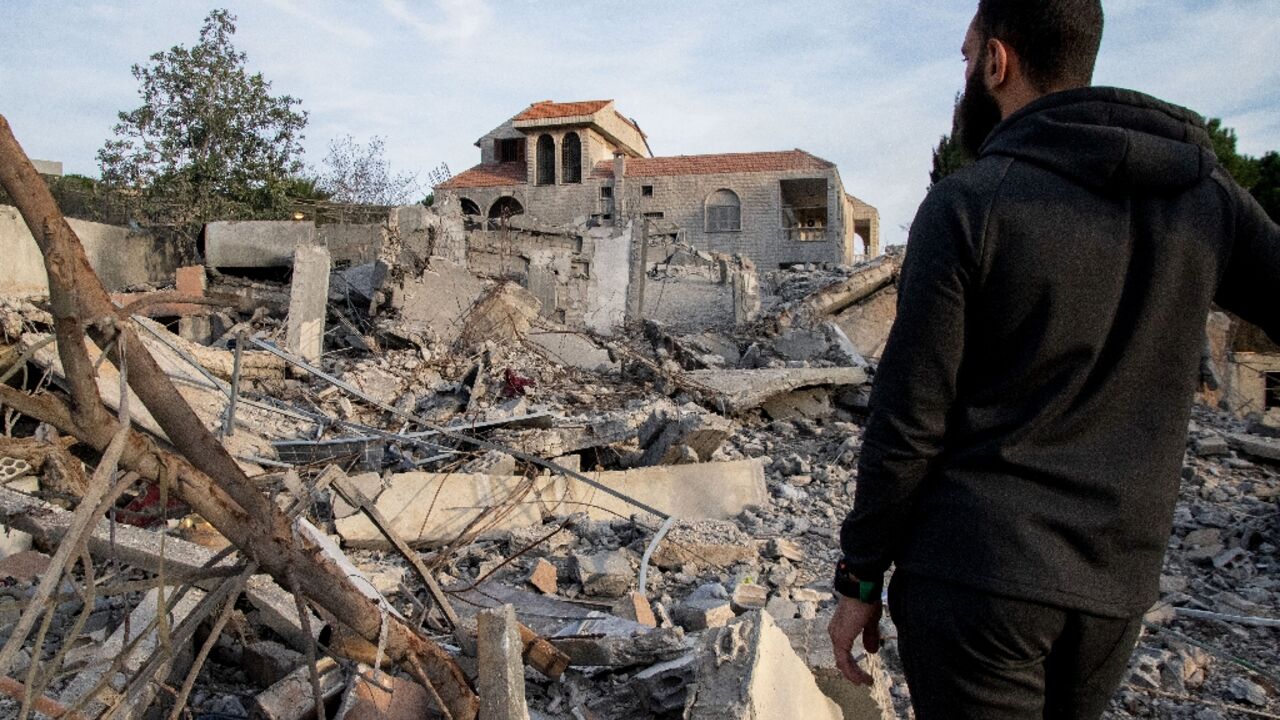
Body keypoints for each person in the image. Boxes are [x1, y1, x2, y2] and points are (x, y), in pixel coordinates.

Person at [826, 1, 1280, 718]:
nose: (968, 74)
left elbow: (908, 422)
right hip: (1114, 592)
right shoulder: (1202, 195)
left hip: (974, 579)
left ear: (999, 63)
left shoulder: (968, 204)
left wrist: (858, 581)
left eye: (969, 58)